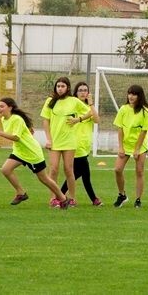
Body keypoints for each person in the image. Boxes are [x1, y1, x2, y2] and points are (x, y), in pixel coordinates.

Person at [0, 97, 68, 209]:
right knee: (5, 170)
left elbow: (16, 137)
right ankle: (21, 193)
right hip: (20, 152)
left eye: (2, 106)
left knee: (44, 179)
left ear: (10, 108)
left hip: (31, 153)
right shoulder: (4, 119)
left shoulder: (17, 119)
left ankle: (63, 198)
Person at [40, 76, 90, 207]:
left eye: (62, 86)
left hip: (69, 141)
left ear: (67, 88)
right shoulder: (50, 101)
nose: (60, 88)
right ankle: (54, 198)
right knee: (53, 169)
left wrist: (78, 119)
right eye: (58, 86)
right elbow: (45, 121)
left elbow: (90, 112)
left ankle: (72, 198)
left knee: (68, 170)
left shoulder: (74, 101)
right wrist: (49, 139)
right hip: (55, 141)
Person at [61, 81, 102, 206]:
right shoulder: (72, 106)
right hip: (74, 145)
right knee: (84, 173)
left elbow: (97, 120)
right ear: (76, 93)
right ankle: (94, 199)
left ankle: (59, 194)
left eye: (85, 90)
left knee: (77, 173)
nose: (83, 92)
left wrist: (91, 104)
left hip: (85, 146)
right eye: (80, 90)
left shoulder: (89, 108)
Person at [112, 84, 148, 208]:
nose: (131, 96)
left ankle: (138, 200)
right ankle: (122, 195)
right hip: (125, 145)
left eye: (134, 94)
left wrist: (137, 149)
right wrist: (120, 147)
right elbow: (120, 129)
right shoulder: (123, 109)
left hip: (140, 146)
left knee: (139, 171)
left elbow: (143, 131)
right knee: (117, 169)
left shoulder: (145, 112)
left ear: (139, 96)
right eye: (129, 93)